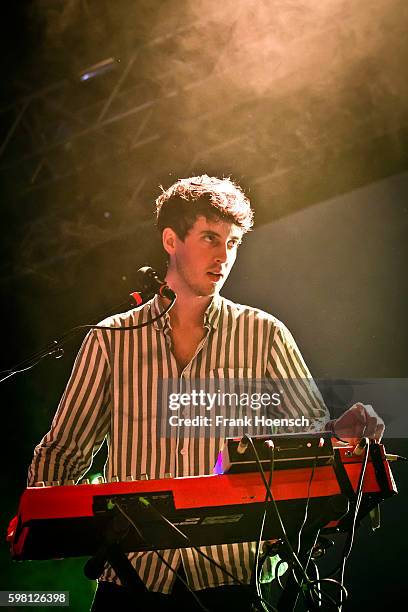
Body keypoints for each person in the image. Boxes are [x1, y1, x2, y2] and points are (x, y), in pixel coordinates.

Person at [28, 175, 384, 611]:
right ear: (170, 240)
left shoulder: (264, 334)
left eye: (233, 243)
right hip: (129, 577)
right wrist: (41, 525)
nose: (223, 256)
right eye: (210, 238)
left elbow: (307, 438)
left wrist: (342, 435)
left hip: (233, 579)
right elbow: (64, 452)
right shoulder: (110, 339)